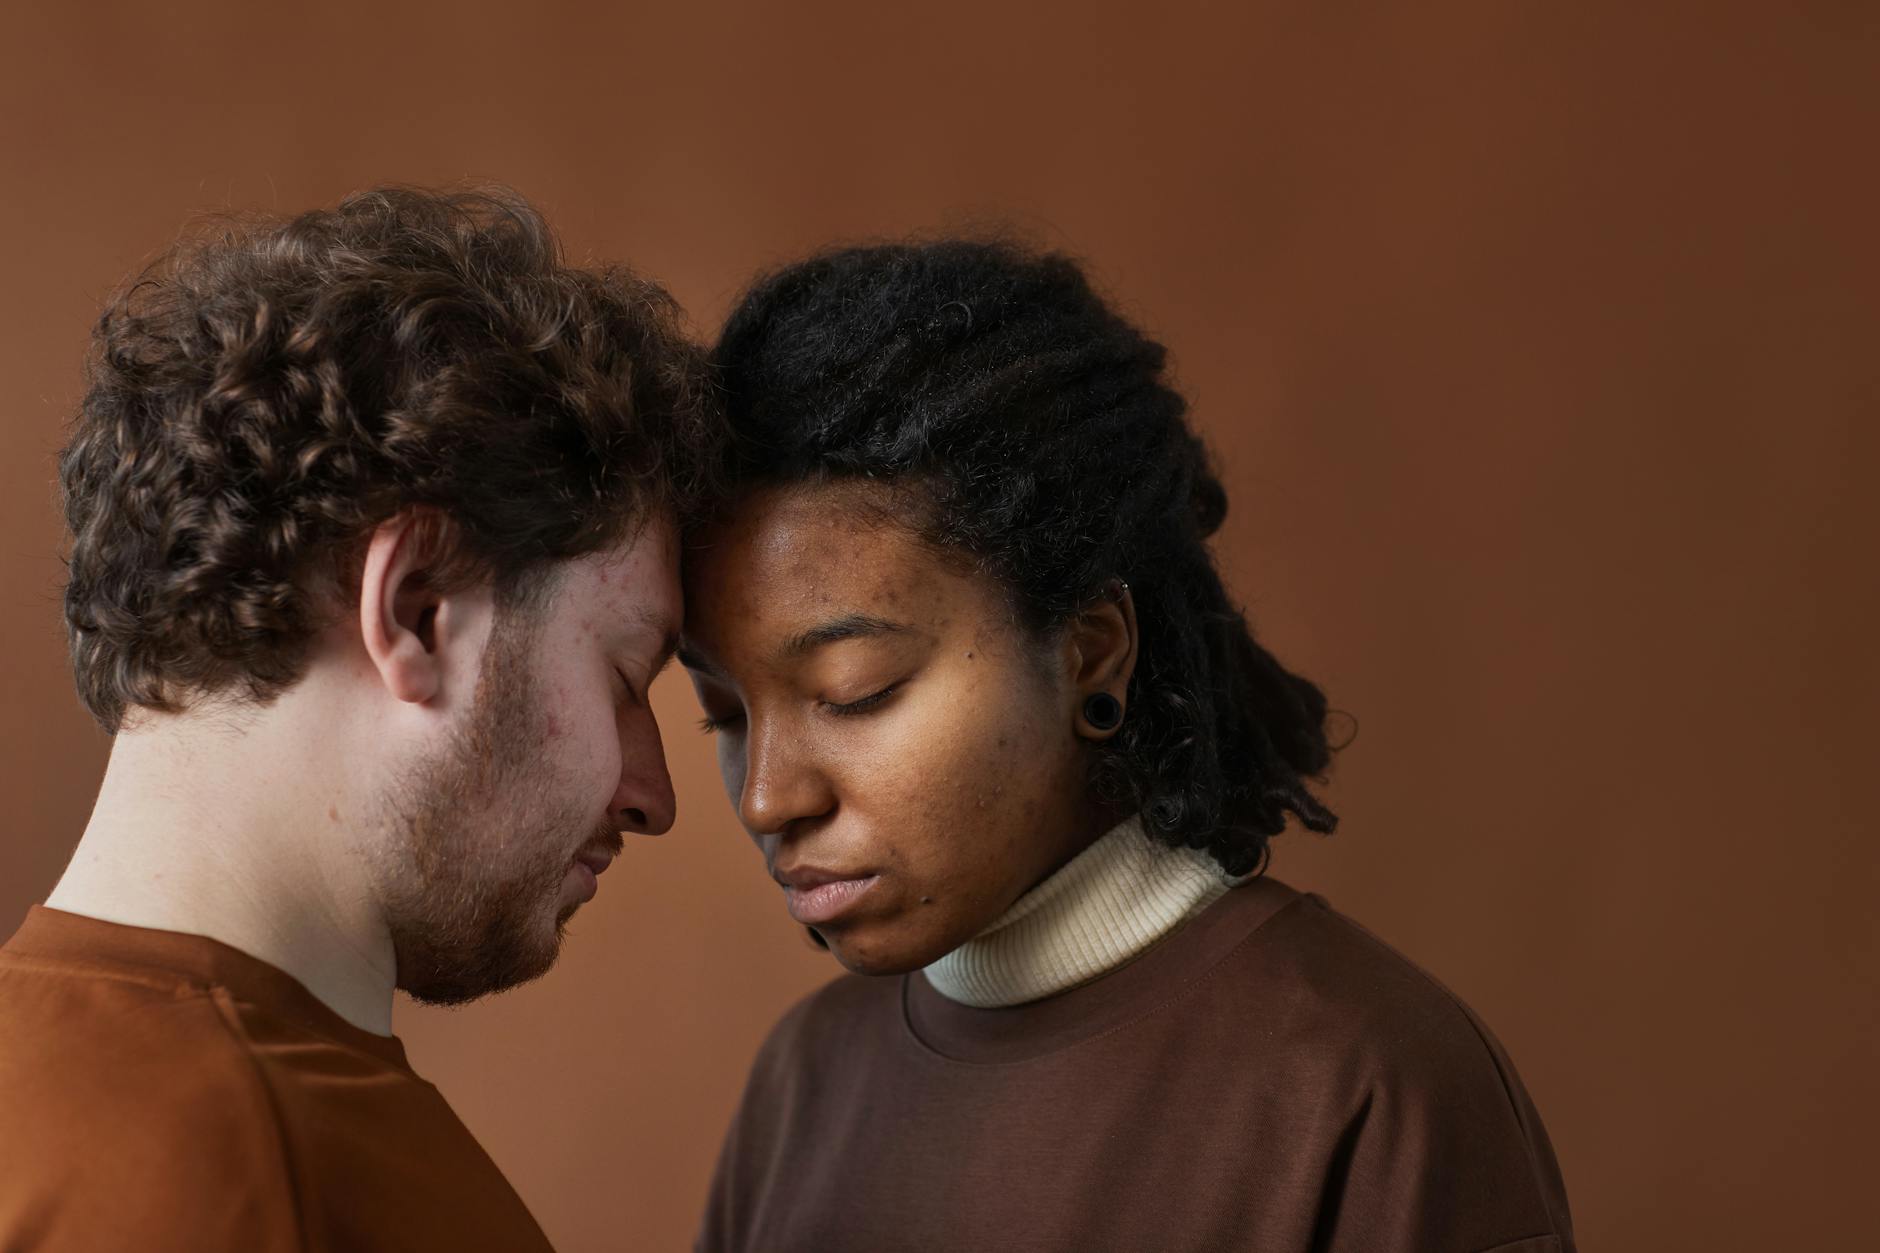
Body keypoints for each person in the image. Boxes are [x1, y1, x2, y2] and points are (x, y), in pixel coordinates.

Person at [682, 240, 1575, 1252]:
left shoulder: (1363, 1081)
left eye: (855, 692)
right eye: (723, 712)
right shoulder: (800, 1086)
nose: (766, 797)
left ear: (1088, 651)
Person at [0, 187, 715, 1250]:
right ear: (416, 608)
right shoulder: (229, 1171)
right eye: (622, 672)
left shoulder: (111, 1099)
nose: (650, 792)